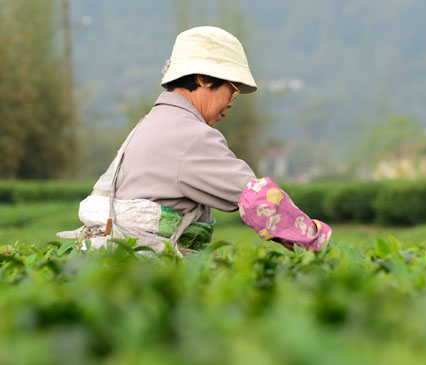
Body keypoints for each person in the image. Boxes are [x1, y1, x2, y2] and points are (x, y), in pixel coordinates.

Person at [58, 26, 331, 254]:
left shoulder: (152, 123)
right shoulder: (190, 136)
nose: (231, 103)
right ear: (202, 78)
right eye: (232, 90)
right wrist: (320, 243)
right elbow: (257, 198)